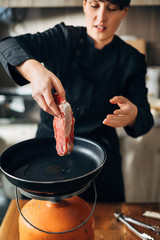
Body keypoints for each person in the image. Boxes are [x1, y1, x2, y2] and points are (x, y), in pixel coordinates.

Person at [0, 0, 154, 202]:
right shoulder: (63, 38)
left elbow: (146, 119)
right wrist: (34, 70)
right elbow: (7, 45)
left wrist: (133, 114)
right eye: (94, 5)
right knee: (41, 223)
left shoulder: (131, 58)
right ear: (84, 5)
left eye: (112, 8)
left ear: (124, 11)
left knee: (104, 225)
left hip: (99, 160)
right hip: (48, 151)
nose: (101, 16)